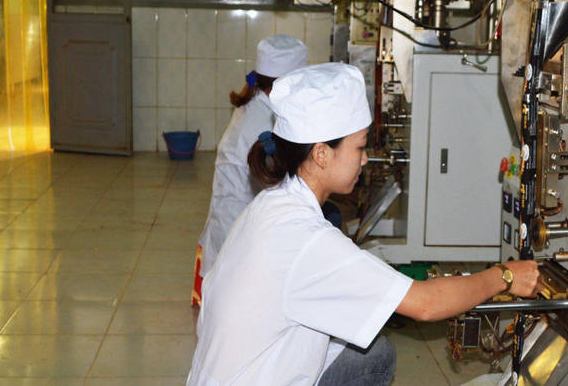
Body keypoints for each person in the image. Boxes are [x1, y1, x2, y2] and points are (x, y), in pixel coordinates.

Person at [186, 63, 541, 385]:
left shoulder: (271, 203)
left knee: (371, 354)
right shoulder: (307, 239)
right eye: (359, 147)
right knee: (372, 356)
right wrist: (504, 276)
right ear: (321, 153)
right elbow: (426, 304)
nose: (366, 158)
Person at [193, 34, 308, 306]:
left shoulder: (256, 104)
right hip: (238, 230)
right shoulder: (262, 121)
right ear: (284, 85)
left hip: (233, 221)